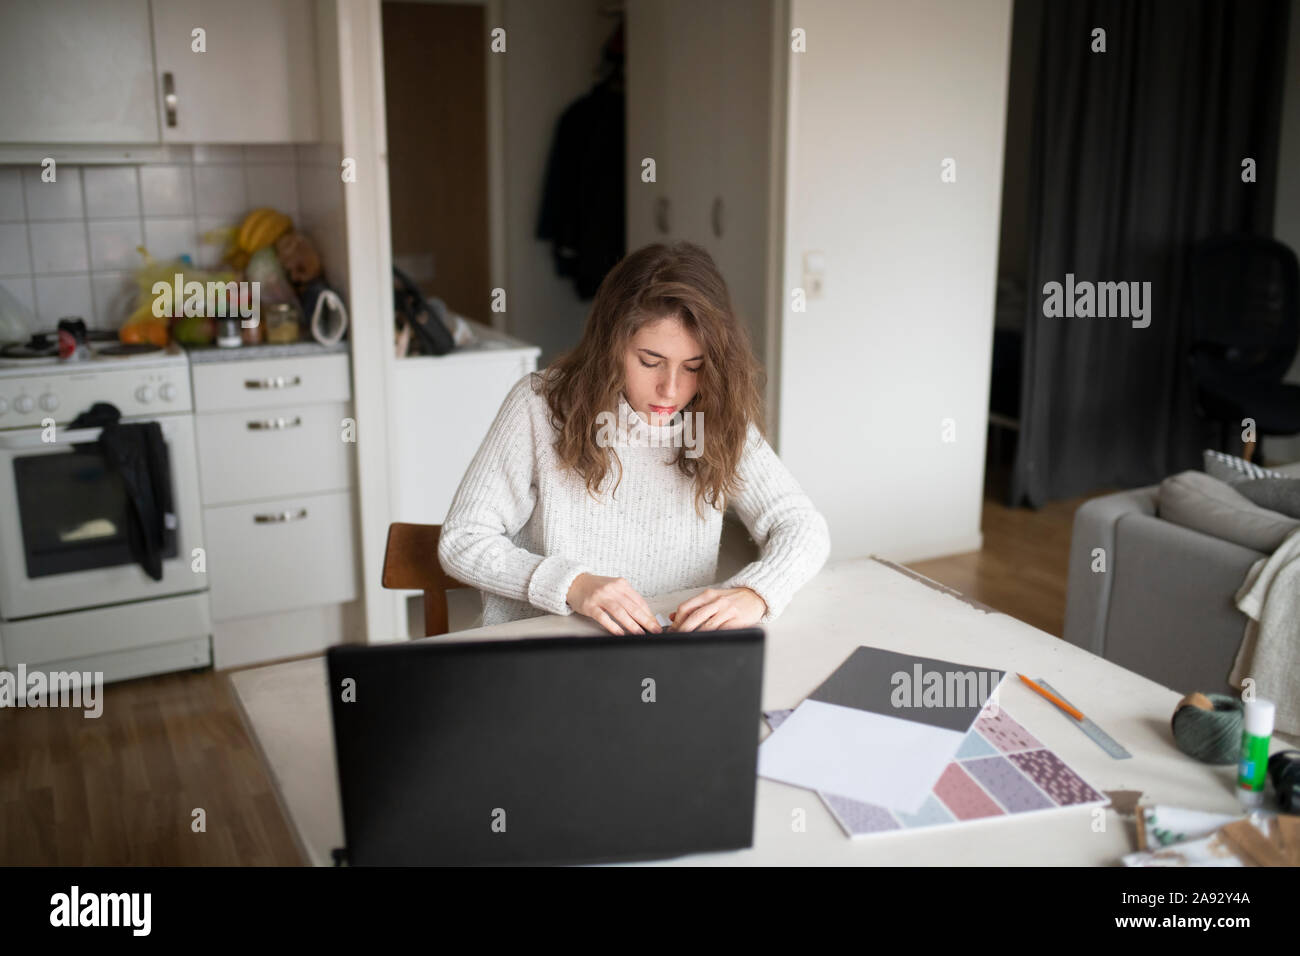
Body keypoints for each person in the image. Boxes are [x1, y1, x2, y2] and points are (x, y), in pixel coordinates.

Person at [438, 241, 830, 634]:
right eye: (650, 362)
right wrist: (572, 584)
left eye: (693, 367)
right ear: (610, 345)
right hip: (545, 650)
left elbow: (801, 525)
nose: (671, 390)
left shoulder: (717, 414)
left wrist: (757, 593)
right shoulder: (539, 406)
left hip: (663, 653)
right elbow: (462, 540)